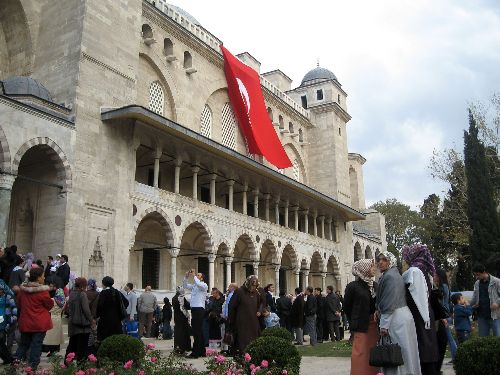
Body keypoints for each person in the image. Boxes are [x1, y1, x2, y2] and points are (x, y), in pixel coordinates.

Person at [376, 250, 421, 375]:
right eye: (379, 259)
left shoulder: (390, 277)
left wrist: (384, 325)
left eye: (384, 259)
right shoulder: (392, 275)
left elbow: (389, 303)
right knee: (405, 351)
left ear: (391, 262)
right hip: (400, 315)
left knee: (397, 352)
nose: (380, 262)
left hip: (395, 317)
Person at [402, 244, 439, 375]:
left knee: (424, 349)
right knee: (428, 347)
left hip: (420, 315)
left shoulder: (414, 272)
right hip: (426, 313)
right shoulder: (425, 271)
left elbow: (415, 297)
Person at [344, 259, 379, 375]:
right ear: (364, 269)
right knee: (360, 354)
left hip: (374, 326)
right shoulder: (353, 286)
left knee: (373, 354)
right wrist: (355, 318)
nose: (374, 268)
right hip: (361, 326)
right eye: (371, 266)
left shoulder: (375, 285)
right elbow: (347, 307)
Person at [15, 267, 54, 370]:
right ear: (38, 278)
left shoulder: (22, 290)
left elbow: (19, 303)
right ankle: (33, 366)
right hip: (39, 323)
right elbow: (49, 305)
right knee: (36, 345)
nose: (44, 277)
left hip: (26, 321)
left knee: (24, 344)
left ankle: (16, 362)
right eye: (42, 276)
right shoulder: (43, 292)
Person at [228, 275, 263, 353]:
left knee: (254, 341)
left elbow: (261, 303)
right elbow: (231, 306)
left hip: (253, 322)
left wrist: (259, 311)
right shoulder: (239, 291)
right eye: (252, 285)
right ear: (248, 283)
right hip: (242, 322)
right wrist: (232, 320)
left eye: (255, 285)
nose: (253, 287)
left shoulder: (256, 293)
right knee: (242, 342)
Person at [65, 277, 93, 362]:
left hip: (73, 323)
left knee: (72, 345)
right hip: (82, 325)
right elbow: (86, 310)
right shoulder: (82, 294)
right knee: (82, 347)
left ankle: (66, 362)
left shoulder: (72, 293)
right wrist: (91, 320)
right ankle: (81, 366)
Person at [433, 268, 457, 365]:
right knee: (447, 337)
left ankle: (456, 356)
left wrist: (442, 317)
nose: (434, 277)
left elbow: (442, 303)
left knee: (448, 337)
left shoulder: (443, 287)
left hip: (444, 316)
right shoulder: (444, 286)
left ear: (439, 276)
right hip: (446, 315)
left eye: (435, 275)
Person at [95, 276, 129, 343]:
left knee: (105, 341)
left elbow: (99, 307)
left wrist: (96, 316)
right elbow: (126, 302)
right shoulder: (117, 292)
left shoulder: (103, 293)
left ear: (104, 284)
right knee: (116, 341)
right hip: (116, 321)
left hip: (105, 322)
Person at [183, 269, 208, 358]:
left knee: (196, 331)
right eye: (196, 275)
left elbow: (198, 283)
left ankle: (195, 353)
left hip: (199, 309)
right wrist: (186, 277)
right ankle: (202, 351)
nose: (196, 276)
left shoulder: (204, 285)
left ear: (201, 278)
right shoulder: (195, 286)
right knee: (199, 331)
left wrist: (193, 276)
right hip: (194, 309)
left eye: (198, 275)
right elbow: (185, 285)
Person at [470, 264, 500, 336]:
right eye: (475, 275)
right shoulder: (477, 283)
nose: (477, 277)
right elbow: (474, 297)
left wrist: (497, 303)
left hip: (495, 315)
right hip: (481, 316)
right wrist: (468, 305)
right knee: (482, 339)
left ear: (484, 272)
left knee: (497, 339)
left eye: (478, 275)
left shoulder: (496, 281)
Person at [42, 281, 65, 357]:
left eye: (52, 286)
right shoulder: (61, 299)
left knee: (49, 337)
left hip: (50, 318)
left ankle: (49, 350)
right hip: (57, 319)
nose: (50, 288)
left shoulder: (51, 299)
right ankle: (53, 351)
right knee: (55, 337)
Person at [0, 280, 16, 364]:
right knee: (1, 343)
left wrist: (13, 318)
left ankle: (8, 359)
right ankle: (8, 358)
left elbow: (14, 308)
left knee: (1, 342)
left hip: (5, 322)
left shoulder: (8, 296)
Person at [172, 286, 192, 354]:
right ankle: (184, 347)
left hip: (176, 318)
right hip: (182, 318)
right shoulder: (181, 298)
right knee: (184, 333)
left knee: (177, 332)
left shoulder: (174, 298)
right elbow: (188, 306)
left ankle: (177, 347)